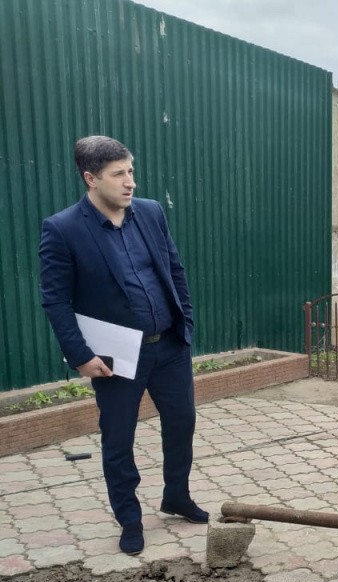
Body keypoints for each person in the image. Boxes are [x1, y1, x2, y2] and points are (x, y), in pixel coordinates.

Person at [38, 136, 207, 556]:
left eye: (130, 171)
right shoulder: (63, 229)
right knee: (118, 439)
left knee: (182, 422)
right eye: (119, 174)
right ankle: (129, 519)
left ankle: (176, 495)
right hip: (115, 359)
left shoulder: (149, 213)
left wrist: (184, 321)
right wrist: (80, 355)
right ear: (91, 178)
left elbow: (174, 268)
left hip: (168, 346)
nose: (130, 182)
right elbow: (56, 299)